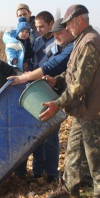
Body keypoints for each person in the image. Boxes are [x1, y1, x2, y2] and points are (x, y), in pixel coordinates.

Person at [40, 4, 100, 198]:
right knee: (73, 149)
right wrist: (57, 80)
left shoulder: (90, 42)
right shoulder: (81, 41)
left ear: (79, 21)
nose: (67, 29)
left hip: (94, 108)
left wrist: (57, 103)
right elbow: (73, 72)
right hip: (84, 109)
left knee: (96, 155)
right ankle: (69, 186)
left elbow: (81, 83)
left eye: (69, 25)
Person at [8, 17, 74, 183]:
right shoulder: (35, 42)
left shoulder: (62, 44)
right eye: (36, 27)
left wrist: (28, 77)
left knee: (50, 133)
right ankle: (38, 172)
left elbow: (55, 65)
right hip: (36, 88)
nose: (39, 30)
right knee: (37, 133)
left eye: (42, 26)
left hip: (51, 89)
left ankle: (52, 173)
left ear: (51, 24)